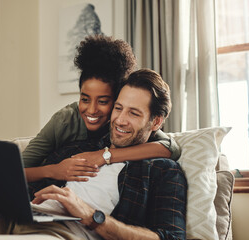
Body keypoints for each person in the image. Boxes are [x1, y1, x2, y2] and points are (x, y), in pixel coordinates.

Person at [0, 69, 187, 240]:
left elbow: (168, 237)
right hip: (20, 215)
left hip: (68, 233)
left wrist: (91, 215)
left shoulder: (162, 170)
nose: (120, 120)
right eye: (118, 108)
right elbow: (15, 183)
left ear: (156, 121)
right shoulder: (76, 147)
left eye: (134, 113)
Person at [23, 35, 181, 184]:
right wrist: (54, 171)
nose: (91, 110)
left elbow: (170, 149)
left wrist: (104, 156)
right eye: (85, 99)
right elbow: (17, 169)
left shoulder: (123, 123)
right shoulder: (65, 120)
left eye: (103, 101)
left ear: (117, 99)